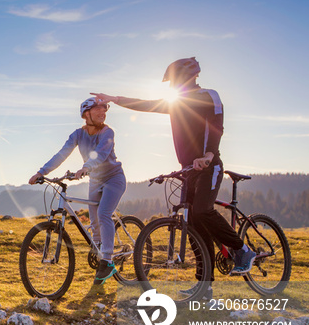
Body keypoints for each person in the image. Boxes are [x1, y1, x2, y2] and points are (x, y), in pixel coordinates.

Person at [92, 57, 256, 296]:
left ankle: (242, 250)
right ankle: (204, 286)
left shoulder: (209, 96)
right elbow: (146, 104)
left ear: (190, 77)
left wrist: (209, 154)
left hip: (210, 165)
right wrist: (115, 99)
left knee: (202, 211)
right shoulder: (176, 102)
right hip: (189, 169)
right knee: (194, 226)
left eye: (174, 81)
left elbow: (217, 126)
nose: (171, 87)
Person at [29, 97, 127, 285]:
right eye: (98, 110)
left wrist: (86, 167)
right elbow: (62, 153)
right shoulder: (77, 134)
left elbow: (101, 152)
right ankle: (100, 260)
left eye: (104, 111)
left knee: (103, 213)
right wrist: (41, 172)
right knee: (94, 222)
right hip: (95, 181)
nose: (103, 113)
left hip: (114, 179)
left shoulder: (108, 132)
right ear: (86, 114)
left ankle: (107, 260)